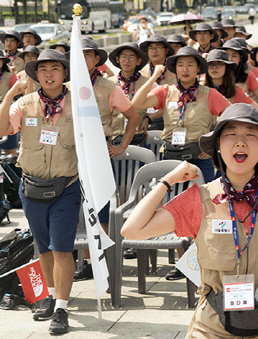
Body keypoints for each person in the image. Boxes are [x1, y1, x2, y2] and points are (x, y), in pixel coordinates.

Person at [120, 103, 258, 338]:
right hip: (212, 324)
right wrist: (168, 180)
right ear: (218, 146)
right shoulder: (199, 198)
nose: (240, 142)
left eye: (250, 135)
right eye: (230, 135)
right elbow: (132, 230)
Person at [0, 50, 80, 334]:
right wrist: (10, 94)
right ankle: (47, 295)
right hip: (31, 187)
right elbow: (1, 129)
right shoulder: (25, 103)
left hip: (66, 187)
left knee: (61, 248)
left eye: (54, 68)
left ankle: (61, 307)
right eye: (42, 69)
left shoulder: (79, 103)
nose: (48, 74)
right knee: (43, 247)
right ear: (35, 74)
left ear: (64, 73)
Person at [71, 37, 140, 281]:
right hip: (70, 155)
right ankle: (87, 261)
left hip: (100, 153)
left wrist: (122, 146)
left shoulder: (109, 87)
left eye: (88, 54)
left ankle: (104, 258)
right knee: (76, 208)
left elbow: (133, 117)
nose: (83, 58)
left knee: (100, 209)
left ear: (97, 59)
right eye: (79, 54)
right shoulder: (66, 85)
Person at [131, 46, 230, 183]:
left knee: (202, 199)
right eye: (180, 65)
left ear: (198, 69)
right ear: (175, 69)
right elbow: (136, 104)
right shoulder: (166, 91)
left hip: (200, 158)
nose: (185, 69)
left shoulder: (209, 93)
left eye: (190, 65)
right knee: (171, 199)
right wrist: (154, 77)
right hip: (171, 156)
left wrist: (215, 144)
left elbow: (231, 117)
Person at [109, 42, 153, 146]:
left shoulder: (148, 83)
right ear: (117, 60)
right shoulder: (109, 83)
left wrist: (148, 118)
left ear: (138, 61)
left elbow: (163, 103)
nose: (127, 61)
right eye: (123, 57)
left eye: (131, 57)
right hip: (115, 137)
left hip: (138, 136)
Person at [140, 34, 177, 131]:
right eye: (150, 48)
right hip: (144, 120)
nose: (154, 51)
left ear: (167, 50)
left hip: (170, 118)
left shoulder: (175, 71)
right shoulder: (141, 72)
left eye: (158, 47)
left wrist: (150, 118)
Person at [223, 40, 258, 113]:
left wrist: (256, 120)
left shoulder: (248, 75)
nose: (230, 59)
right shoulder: (217, 75)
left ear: (240, 58)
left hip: (242, 118)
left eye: (234, 56)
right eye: (226, 55)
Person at [0, 52, 19, 156]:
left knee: (10, 150)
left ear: (3, 62)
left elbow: (19, 91)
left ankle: (12, 171)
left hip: (5, 112)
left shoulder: (10, 76)